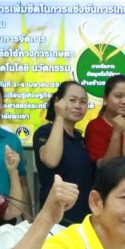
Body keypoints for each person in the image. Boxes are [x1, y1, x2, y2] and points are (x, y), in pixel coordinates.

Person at [33, 81, 95, 225]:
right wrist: (59, 117)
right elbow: (51, 160)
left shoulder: (81, 139)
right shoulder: (45, 132)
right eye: (72, 100)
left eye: (83, 102)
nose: (78, 106)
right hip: (56, 220)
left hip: (83, 220)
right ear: (57, 102)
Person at [83, 74, 125, 164]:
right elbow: (103, 167)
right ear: (105, 99)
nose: (124, 101)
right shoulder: (96, 126)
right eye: (118, 96)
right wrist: (117, 132)